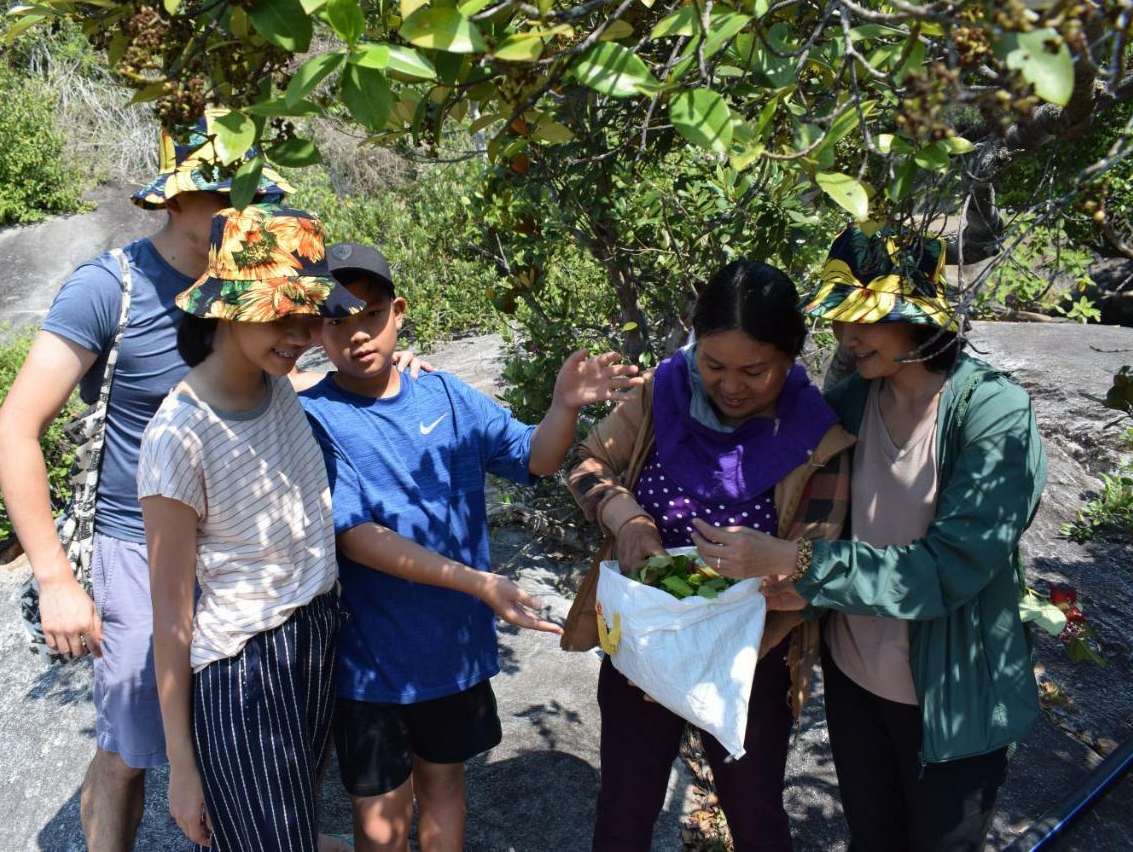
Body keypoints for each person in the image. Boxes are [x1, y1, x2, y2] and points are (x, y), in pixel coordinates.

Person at [0, 109, 295, 851]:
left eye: (246, 199)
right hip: (136, 544)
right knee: (132, 741)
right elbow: (12, 431)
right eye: (219, 198)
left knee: (227, 717)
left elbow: (290, 374)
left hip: (235, 541)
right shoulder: (107, 289)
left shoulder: (255, 278)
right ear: (175, 197)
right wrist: (56, 577)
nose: (235, 216)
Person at [698, 225, 1047, 852]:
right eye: (839, 321)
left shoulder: (994, 415)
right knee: (873, 837)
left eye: (866, 320)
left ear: (919, 319)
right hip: (857, 681)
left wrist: (796, 561)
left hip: (951, 699)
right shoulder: (852, 403)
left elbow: (949, 571)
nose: (847, 336)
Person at [299, 243, 645, 852]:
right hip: (369, 666)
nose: (357, 334)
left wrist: (563, 406)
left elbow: (534, 458)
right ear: (317, 330)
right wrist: (480, 583)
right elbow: (353, 537)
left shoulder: (448, 396)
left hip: (451, 655)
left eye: (371, 314)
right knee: (380, 822)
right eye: (337, 320)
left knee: (445, 786)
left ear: (398, 312)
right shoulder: (314, 417)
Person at [561, 260, 855, 852]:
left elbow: (815, 563)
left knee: (756, 815)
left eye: (756, 370)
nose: (730, 386)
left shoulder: (817, 438)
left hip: (752, 655)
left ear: (794, 354)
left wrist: (707, 653)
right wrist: (628, 518)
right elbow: (585, 465)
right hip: (643, 641)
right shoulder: (659, 395)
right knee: (624, 811)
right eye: (713, 364)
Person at [138, 203, 364, 850]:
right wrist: (183, 768)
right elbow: (171, 618)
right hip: (245, 672)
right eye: (279, 313)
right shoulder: (177, 439)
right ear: (227, 304)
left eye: (310, 315)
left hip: (314, 635)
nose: (299, 334)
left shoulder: (277, 382)